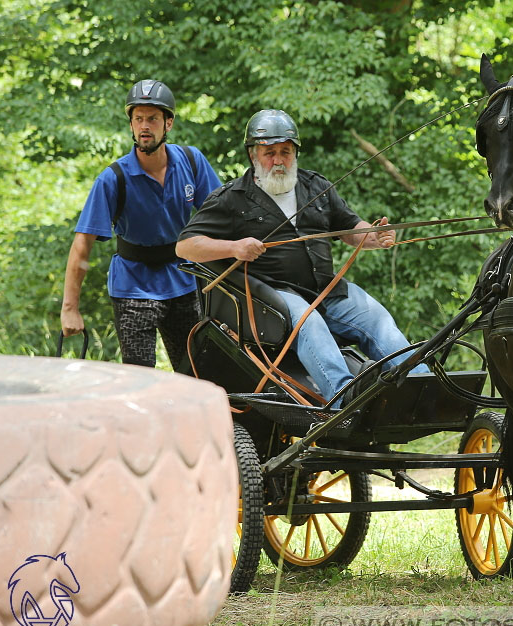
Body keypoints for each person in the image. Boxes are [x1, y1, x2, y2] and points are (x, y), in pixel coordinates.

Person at [176, 109, 426, 406]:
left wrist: (373, 236)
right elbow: (186, 246)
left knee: (377, 318)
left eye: (285, 151)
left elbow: (350, 228)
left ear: (295, 153)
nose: (278, 160)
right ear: (253, 155)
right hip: (273, 296)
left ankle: (422, 387)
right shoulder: (232, 197)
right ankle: (344, 401)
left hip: (326, 290)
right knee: (310, 323)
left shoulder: (316, 187)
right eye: (269, 153)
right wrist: (234, 248)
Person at [61, 79, 222, 369]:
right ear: (131, 125)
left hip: (183, 280)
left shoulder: (191, 162)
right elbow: (82, 245)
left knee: (196, 373)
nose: (144, 126)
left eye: (152, 119)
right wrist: (70, 308)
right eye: (138, 119)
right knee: (139, 376)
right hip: (132, 287)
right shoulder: (113, 178)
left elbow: (223, 217)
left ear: (168, 123)